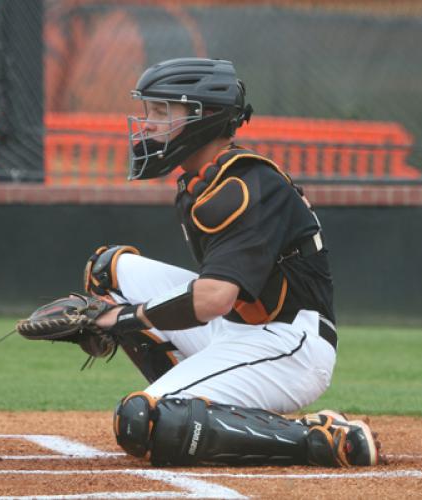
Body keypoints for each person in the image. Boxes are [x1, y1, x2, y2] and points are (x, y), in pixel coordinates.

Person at [85, 57, 380, 467]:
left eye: (162, 111)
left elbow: (214, 299)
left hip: (289, 345)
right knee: (108, 272)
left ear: (203, 117)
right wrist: (105, 319)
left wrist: (123, 320)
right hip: (238, 328)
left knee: (141, 421)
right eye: (148, 110)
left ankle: (318, 438)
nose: (148, 123)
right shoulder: (206, 179)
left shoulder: (245, 185)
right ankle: (193, 409)